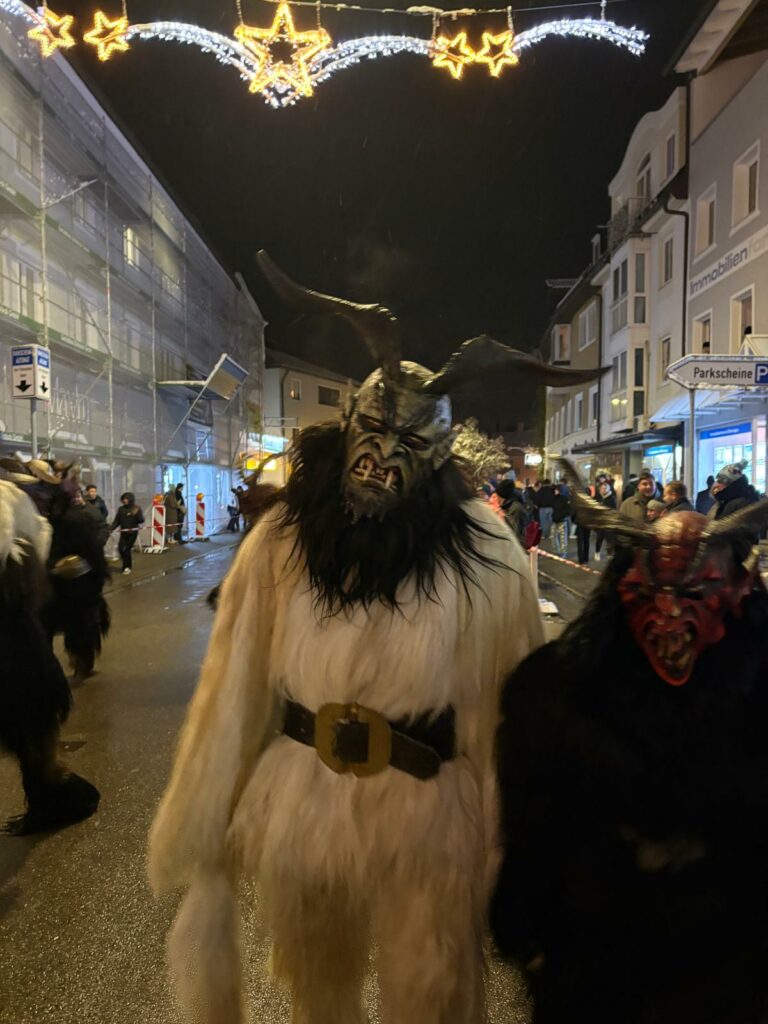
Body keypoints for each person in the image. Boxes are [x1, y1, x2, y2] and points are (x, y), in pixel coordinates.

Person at [147, 252, 600, 1024]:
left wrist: (516, 846)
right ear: (348, 424)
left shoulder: (487, 553)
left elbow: (515, 709)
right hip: (302, 799)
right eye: (372, 432)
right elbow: (234, 686)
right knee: (317, 992)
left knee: (431, 994)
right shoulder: (284, 541)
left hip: (429, 813)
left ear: (438, 457)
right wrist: (206, 816)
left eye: (406, 444)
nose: (379, 460)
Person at [492, 485, 768, 1024]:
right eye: (653, 593)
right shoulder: (556, 695)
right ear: (624, 590)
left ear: (736, 590)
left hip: (727, 967)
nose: (668, 612)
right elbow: (530, 832)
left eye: (693, 593)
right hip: (591, 965)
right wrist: (531, 937)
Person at [0, 468, 100, 834]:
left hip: (23, 640)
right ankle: (49, 792)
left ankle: (50, 793)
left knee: (32, 729)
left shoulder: (17, 510)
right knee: (30, 729)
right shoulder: (18, 511)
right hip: (24, 637)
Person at [111, 492, 144, 575]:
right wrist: (110, 529)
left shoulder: (136, 508)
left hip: (133, 532)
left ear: (130, 499)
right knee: (120, 549)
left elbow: (141, 520)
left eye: (126, 499)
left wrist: (136, 515)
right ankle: (126, 561)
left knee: (127, 549)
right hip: (123, 532)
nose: (125, 500)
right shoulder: (121, 509)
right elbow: (117, 521)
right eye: (123, 499)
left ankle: (127, 567)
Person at [594, 478, 617, 561]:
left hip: (608, 522)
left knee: (609, 539)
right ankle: (597, 552)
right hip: (600, 522)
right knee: (599, 538)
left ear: (608, 489)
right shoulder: (600, 498)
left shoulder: (611, 499)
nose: (603, 490)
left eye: (605, 488)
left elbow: (613, 511)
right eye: (602, 488)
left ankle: (609, 554)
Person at [552, 484, 571, 556]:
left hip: (562, 520)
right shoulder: (554, 498)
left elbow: (568, 510)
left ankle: (563, 552)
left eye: (556, 490)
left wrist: (562, 516)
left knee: (563, 538)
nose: (554, 491)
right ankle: (556, 551)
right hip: (555, 520)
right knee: (553, 537)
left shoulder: (565, 499)